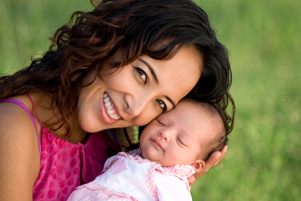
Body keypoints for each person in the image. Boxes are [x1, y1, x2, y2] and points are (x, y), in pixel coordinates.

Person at [0, 0, 235, 200]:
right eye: (141, 74)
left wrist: (169, 178)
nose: (135, 108)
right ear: (110, 39)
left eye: (161, 103)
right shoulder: (15, 128)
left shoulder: (115, 136)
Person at [67, 99, 230, 201]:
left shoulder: (169, 182)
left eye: (180, 140)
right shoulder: (133, 156)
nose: (165, 133)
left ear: (196, 165)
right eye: (162, 122)